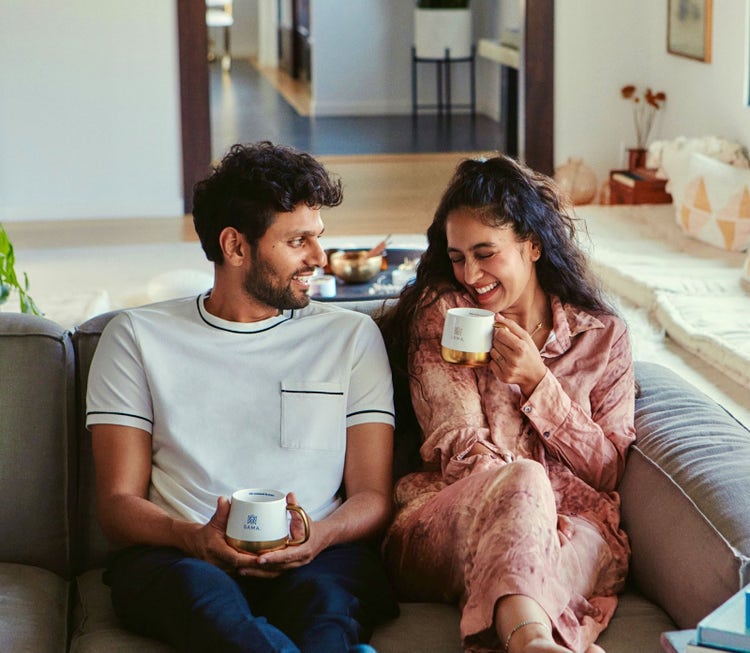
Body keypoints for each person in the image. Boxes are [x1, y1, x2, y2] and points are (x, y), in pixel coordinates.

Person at [86, 142, 398, 653]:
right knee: (203, 599)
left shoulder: (350, 337)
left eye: (318, 238)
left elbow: (372, 496)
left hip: (319, 556)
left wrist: (319, 536)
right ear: (234, 247)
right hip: (181, 559)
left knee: (328, 611)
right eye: (298, 241)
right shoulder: (137, 337)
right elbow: (118, 505)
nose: (319, 258)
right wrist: (192, 539)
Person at [377, 154, 635, 653]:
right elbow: (460, 443)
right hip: (448, 516)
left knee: (575, 544)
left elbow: (607, 470)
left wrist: (540, 384)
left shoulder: (603, 337)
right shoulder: (448, 315)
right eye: (456, 257)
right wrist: (529, 504)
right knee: (524, 479)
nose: (470, 273)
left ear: (532, 245)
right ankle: (534, 640)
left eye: (485, 252)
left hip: (576, 531)